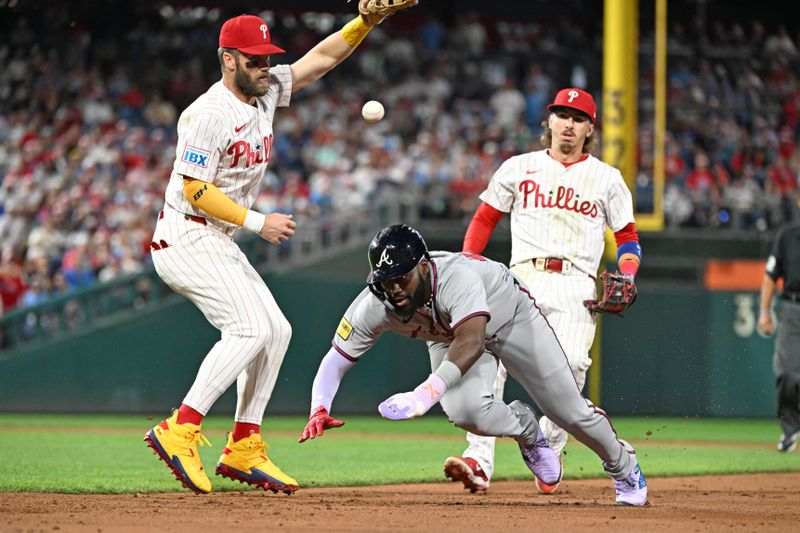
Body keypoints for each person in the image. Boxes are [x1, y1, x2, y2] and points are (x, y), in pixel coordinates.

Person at [144, 1, 419, 495]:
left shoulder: (266, 91)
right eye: (253, 59)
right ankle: (180, 428)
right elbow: (194, 190)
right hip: (185, 234)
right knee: (249, 328)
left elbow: (319, 59)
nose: (264, 67)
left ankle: (244, 443)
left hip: (215, 237)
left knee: (277, 331)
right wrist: (257, 222)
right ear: (227, 58)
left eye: (267, 58)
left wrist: (366, 22)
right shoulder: (206, 114)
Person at [298, 224, 648, 506]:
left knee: (567, 410)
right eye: (385, 281)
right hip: (449, 334)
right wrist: (319, 408)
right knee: (466, 412)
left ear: (422, 266)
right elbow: (337, 359)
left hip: (510, 317)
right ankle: (526, 429)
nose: (394, 289)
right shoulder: (374, 305)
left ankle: (624, 466)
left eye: (401, 277)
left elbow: (472, 341)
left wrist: (424, 394)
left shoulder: (456, 277)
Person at [445, 87, 643, 494]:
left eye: (578, 118)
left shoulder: (607, 178)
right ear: (548, 121)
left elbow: (627, 238)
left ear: (590, 129)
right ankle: (478, 461)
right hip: (518, 279)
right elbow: (484, 220)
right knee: (485, 362)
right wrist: (467, 266)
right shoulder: (519, 167)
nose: (568, 124)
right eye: (562, 115)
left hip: (576, 284)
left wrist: (627, 271)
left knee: (568, 373)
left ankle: (547, 448)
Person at [758, 202, 800, 453]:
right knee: (786, 372)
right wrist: (765, 312)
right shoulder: (787, 236)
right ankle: (790, 430)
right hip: (792, 308)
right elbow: (770, 276)